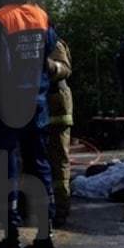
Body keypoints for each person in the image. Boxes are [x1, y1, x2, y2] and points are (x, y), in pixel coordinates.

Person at [0, 0, 57, 248]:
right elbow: (47, 51)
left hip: (10, 107)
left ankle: (11, 238)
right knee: (40, 166)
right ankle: (45, 234)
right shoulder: (41, 15)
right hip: (37, 105)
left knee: (8, 170)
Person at [45, 38, 73, 227]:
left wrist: (46, 65)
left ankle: (61, 208)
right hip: (36, 105)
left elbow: (64, 69)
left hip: (56, 106)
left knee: (58, 160)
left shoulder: (53, 43)